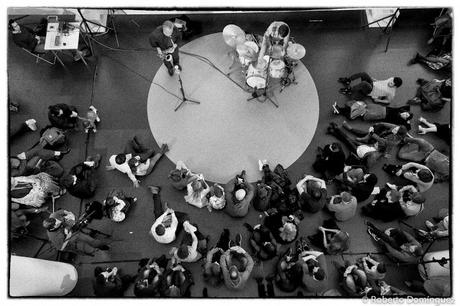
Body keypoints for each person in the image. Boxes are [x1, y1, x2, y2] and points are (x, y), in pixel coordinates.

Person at [43, 209, 109, 254]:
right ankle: (101, 247)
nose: (59, 221)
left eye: (57, 220)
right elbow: (61, 247)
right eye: (57, 223)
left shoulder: (54, 216)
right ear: (53, 228)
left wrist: (70, 215)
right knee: (89, 241)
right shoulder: (56, 237)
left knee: (84, 228)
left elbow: (64, 211)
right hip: (67, 240)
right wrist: (68, 234)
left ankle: (90, 234)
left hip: (69, 228)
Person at [333, 101, 413, 130]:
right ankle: (339, 110)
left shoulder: (399, 120)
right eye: (405, 113)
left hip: (380, 114)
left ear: (405, 118)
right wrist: (408, 114)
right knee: (360, 106)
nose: (404, 114)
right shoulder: (400, 110)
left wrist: (407, 121)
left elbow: (408, 127)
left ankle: (340, 111)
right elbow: (407, 107)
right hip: (379, 108)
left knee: (361, 112)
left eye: (406, 116)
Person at [338, 73, 403, 104]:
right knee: (364, 74)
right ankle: (348, 80)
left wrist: (379, 100)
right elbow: (384, 82)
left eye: (391, 83)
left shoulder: (391, 93)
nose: (390, 82)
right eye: (391, 81)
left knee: (364, 83)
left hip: (370, 91)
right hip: (373, 83)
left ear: (395, 86)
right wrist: (376, 80)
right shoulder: (392, 79)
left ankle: (350, 90)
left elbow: (388, 101)